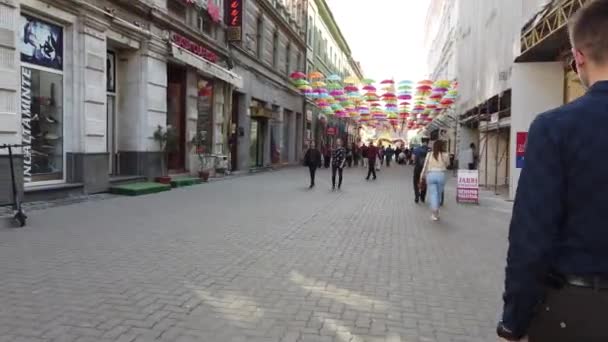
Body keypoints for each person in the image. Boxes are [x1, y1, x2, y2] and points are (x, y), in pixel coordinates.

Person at [498, 2, 608, 341]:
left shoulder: (555, 128)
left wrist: (513, 321)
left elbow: (531, 239)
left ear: (578, 57)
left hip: (576, 312)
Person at [420, 140, 449, 221]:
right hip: (441, 175)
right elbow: (448, 164)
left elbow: (425, 166)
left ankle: (434, 212)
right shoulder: (445, 155)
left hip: (431, 174)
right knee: (439, 194)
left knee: (433, 194)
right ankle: (436, 212)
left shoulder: (429, 154)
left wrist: (422, 175)